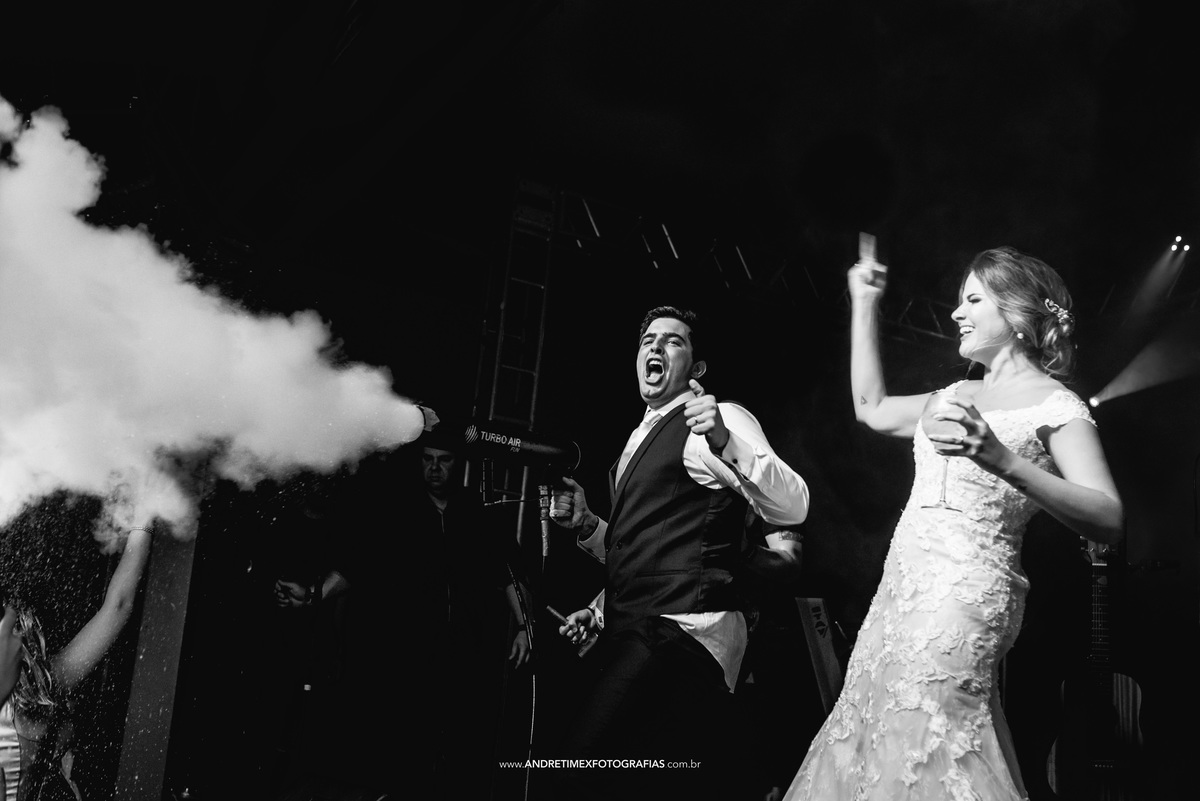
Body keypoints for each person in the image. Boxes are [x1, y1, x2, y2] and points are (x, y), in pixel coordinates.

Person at [781, 246, 1124, 800]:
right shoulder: (952, 396)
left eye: (972, 300)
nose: (956, 313)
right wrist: (864, 302)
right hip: (900, 593)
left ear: (1016, 311)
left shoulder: (1055, 407)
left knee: (925, 735)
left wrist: (1002, 459)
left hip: (963, 597)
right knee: (872, 729)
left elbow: (1108, 516)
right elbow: (871, 407)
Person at [550, 305, 811, 800]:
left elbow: (793, 504)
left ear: (697, 367)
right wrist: (590, 544)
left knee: (576, 768)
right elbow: (645, 550)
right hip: (641, 629)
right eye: (648, 339)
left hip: (684, 630)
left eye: (673, 340)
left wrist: (723, 437)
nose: (656, 346)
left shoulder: (715, 419)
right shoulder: (634, 443)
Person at [2, 523, 151, 801]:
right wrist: (143, 518)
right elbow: (118, 606)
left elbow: (118, 607)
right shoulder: (47, 682)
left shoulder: (46, 682)